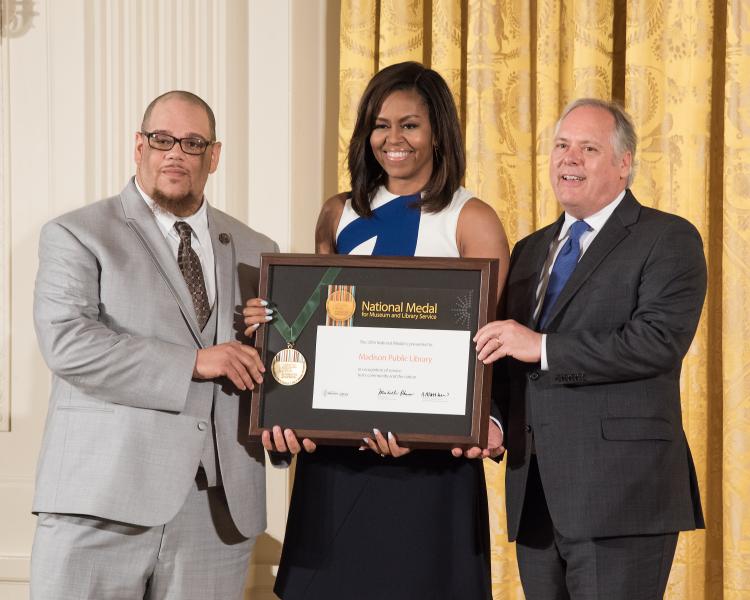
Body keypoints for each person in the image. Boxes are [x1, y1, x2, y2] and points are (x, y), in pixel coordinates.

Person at [243, 61, 509, 599]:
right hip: (338, 465)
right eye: (380, 125)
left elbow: (489, 351)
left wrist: (436, 432)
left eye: (410, 124)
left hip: (431, 470)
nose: (393, 139)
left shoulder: (470, 218)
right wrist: (269, 327)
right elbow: (311, 332)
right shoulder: (338, 213)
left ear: (439, 131)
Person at [30, 91, 282, 600]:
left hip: (217, 512)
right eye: (162, 140)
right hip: (103, 501)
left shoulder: (260, 249)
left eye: (192, 143)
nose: (175, 154)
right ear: (139, 146)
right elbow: (69, 344)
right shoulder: (77, 234)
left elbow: (275, 368)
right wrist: (195, 361)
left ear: (214, 156)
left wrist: (273, 357)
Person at [474, 98, 706, 599]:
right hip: (535, 496)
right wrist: (491, 421)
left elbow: (657, 343)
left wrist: (544, 346)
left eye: (588, 148)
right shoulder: (531, 249)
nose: (569, 158)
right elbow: (515, 363)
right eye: (561, 145)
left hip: (621, 497)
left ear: (624, 164)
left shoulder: (667, 238)